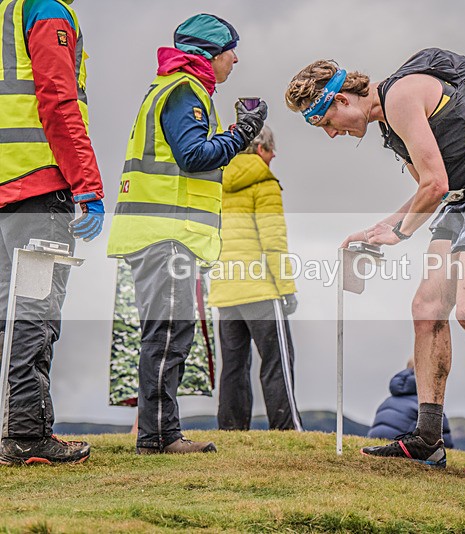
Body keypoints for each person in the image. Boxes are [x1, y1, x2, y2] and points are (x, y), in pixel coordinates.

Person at [285, 48, 465, 477]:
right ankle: (427, 437)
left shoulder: (401, 96)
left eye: (326, 123)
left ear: (343, 100)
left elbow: (435, 185)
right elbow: (428, 187)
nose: (330, 134)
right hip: (462, 202)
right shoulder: (389, 127)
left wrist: (398, 232)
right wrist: (377, 228)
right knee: (426, 311)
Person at [106, 13, 266, 455]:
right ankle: (158, 437)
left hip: (157, 231)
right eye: (230, 48)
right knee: (169, 333)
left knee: (169, 332)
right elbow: (194, 156)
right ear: (210, 53)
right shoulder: (185, 90)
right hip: (166, 233)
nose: (236, 58)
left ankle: (160, 432)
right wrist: (241, 135)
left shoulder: (173, 87)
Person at [0, 0, 104, 465]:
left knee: (8, 314)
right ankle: (25, 433)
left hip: (6, 188)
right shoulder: (45, 9)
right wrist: (88, 186)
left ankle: (13, 430)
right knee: (34, 312)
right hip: (39, 184)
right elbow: (59, 100)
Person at [209, 124, 303, 432]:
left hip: (225, 287)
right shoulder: (264, 180)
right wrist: (286, 287)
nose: (273, 156)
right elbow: (273, 241)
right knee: (278, 361)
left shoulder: (217, 180)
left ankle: (232, 431)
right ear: (261, 149)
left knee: (233, 367)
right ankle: (287, 429)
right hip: (260, 287)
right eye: (272, 151)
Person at [368, 359, 453, 449]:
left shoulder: (386, 401)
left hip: (373, 445)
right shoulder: (427, 405)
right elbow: (444, 439)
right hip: (401, 447)